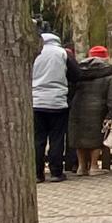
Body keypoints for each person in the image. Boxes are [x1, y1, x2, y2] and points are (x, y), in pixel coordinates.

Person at [32, 31, 80, 183]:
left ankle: (37, 174)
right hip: (57, 102)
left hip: (36, 101)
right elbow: (76, 74)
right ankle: (56, 172)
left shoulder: (34, 53)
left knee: (38, 139)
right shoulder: (62, 53)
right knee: (57, 138)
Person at [68, 45, 112, 176]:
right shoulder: (109, 73)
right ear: (105, 57)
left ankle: (81, 167)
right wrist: (111, 113)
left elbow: (70, 89)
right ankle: (94, 166)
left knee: (79, 136)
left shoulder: (79, 70)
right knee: (96, 137)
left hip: (77, 107)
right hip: (98, 108)